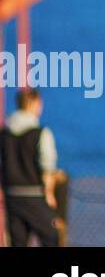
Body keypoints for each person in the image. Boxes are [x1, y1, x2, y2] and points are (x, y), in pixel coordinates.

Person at [0, 88, 62, 247]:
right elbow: (47, 166)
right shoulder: (40, 133)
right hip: (35, 194)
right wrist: (49, 194)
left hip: (11, 195)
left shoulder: (4, 134)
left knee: (18, 242)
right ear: (34, 104)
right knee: (51, 236)